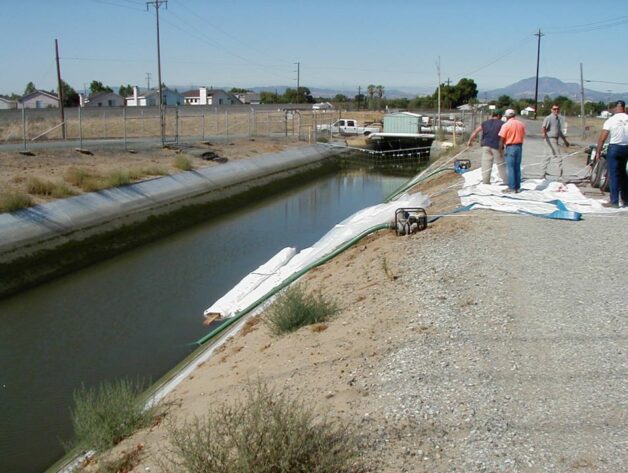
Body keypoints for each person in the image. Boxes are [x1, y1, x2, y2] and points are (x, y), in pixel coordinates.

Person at [595, 100, 628, 208]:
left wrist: (598, 151)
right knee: (623, 173)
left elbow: (603, 137)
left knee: (613, 175)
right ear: (624, 108)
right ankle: (625, 199)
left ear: (615, 108)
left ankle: (614, 201)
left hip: (615, 147)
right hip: (626, 147)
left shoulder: (611, 120)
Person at [467, 109, 507, 184]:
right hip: (497, 146)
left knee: (486, 164)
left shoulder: (485, 123)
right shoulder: (502, 124)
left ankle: (486, 181)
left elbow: (476, 131)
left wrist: (470, 141)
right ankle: (506, 181)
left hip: (486, 145)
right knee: (501, 164)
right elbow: (505, 135)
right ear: (499, 116)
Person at [498, 109, 526, 193]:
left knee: (511, 168)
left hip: (510, 146)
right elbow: (523, 134)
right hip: (519, 146)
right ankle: (517, 186)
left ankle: (512, 187)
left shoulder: (506, 125)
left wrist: (500, 148)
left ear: (507, 116)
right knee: (517, 167)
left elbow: (502, 137)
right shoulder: (521, 124)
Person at [541, 104, 570, 179]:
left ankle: (542, 173)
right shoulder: (549, 118)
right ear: (551, 110)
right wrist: (545, 136)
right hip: (550, 139)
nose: (556, 110)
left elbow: (559, 131)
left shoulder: (558, 119)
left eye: (557, 109)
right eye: (554, 109)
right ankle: (559, 175)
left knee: (547, 157)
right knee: (557, 156)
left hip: (555, 139)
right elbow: (544, 127)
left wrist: (565, 140)